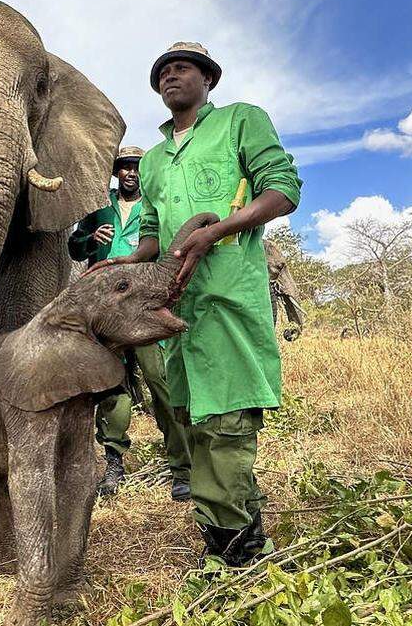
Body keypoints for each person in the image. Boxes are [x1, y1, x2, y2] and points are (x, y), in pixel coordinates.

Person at [86, 42, 302, 567]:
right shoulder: (155, 159)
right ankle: (231, 528)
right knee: (190, 418)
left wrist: (219, 230)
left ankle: (237, 548)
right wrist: (123, 264)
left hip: (228, 297)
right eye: (162, 71)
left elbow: (284, 190)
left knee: (226, 420)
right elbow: (155, 236)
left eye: (182, 68)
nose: (170, 77)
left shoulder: (240, 122)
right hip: (171, 310)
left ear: (208, 79)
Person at [68, 145, 192, 502]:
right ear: (115, 172)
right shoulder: (98, 207)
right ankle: (113, 464)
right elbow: (74, 248)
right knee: (110, 389)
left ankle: (182, 468)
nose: (130, 173)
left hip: (144, 309)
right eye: (123, 167)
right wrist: (90, 239)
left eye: (136, 167)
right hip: (105, 313)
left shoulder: (153, 206)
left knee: (162, 383)